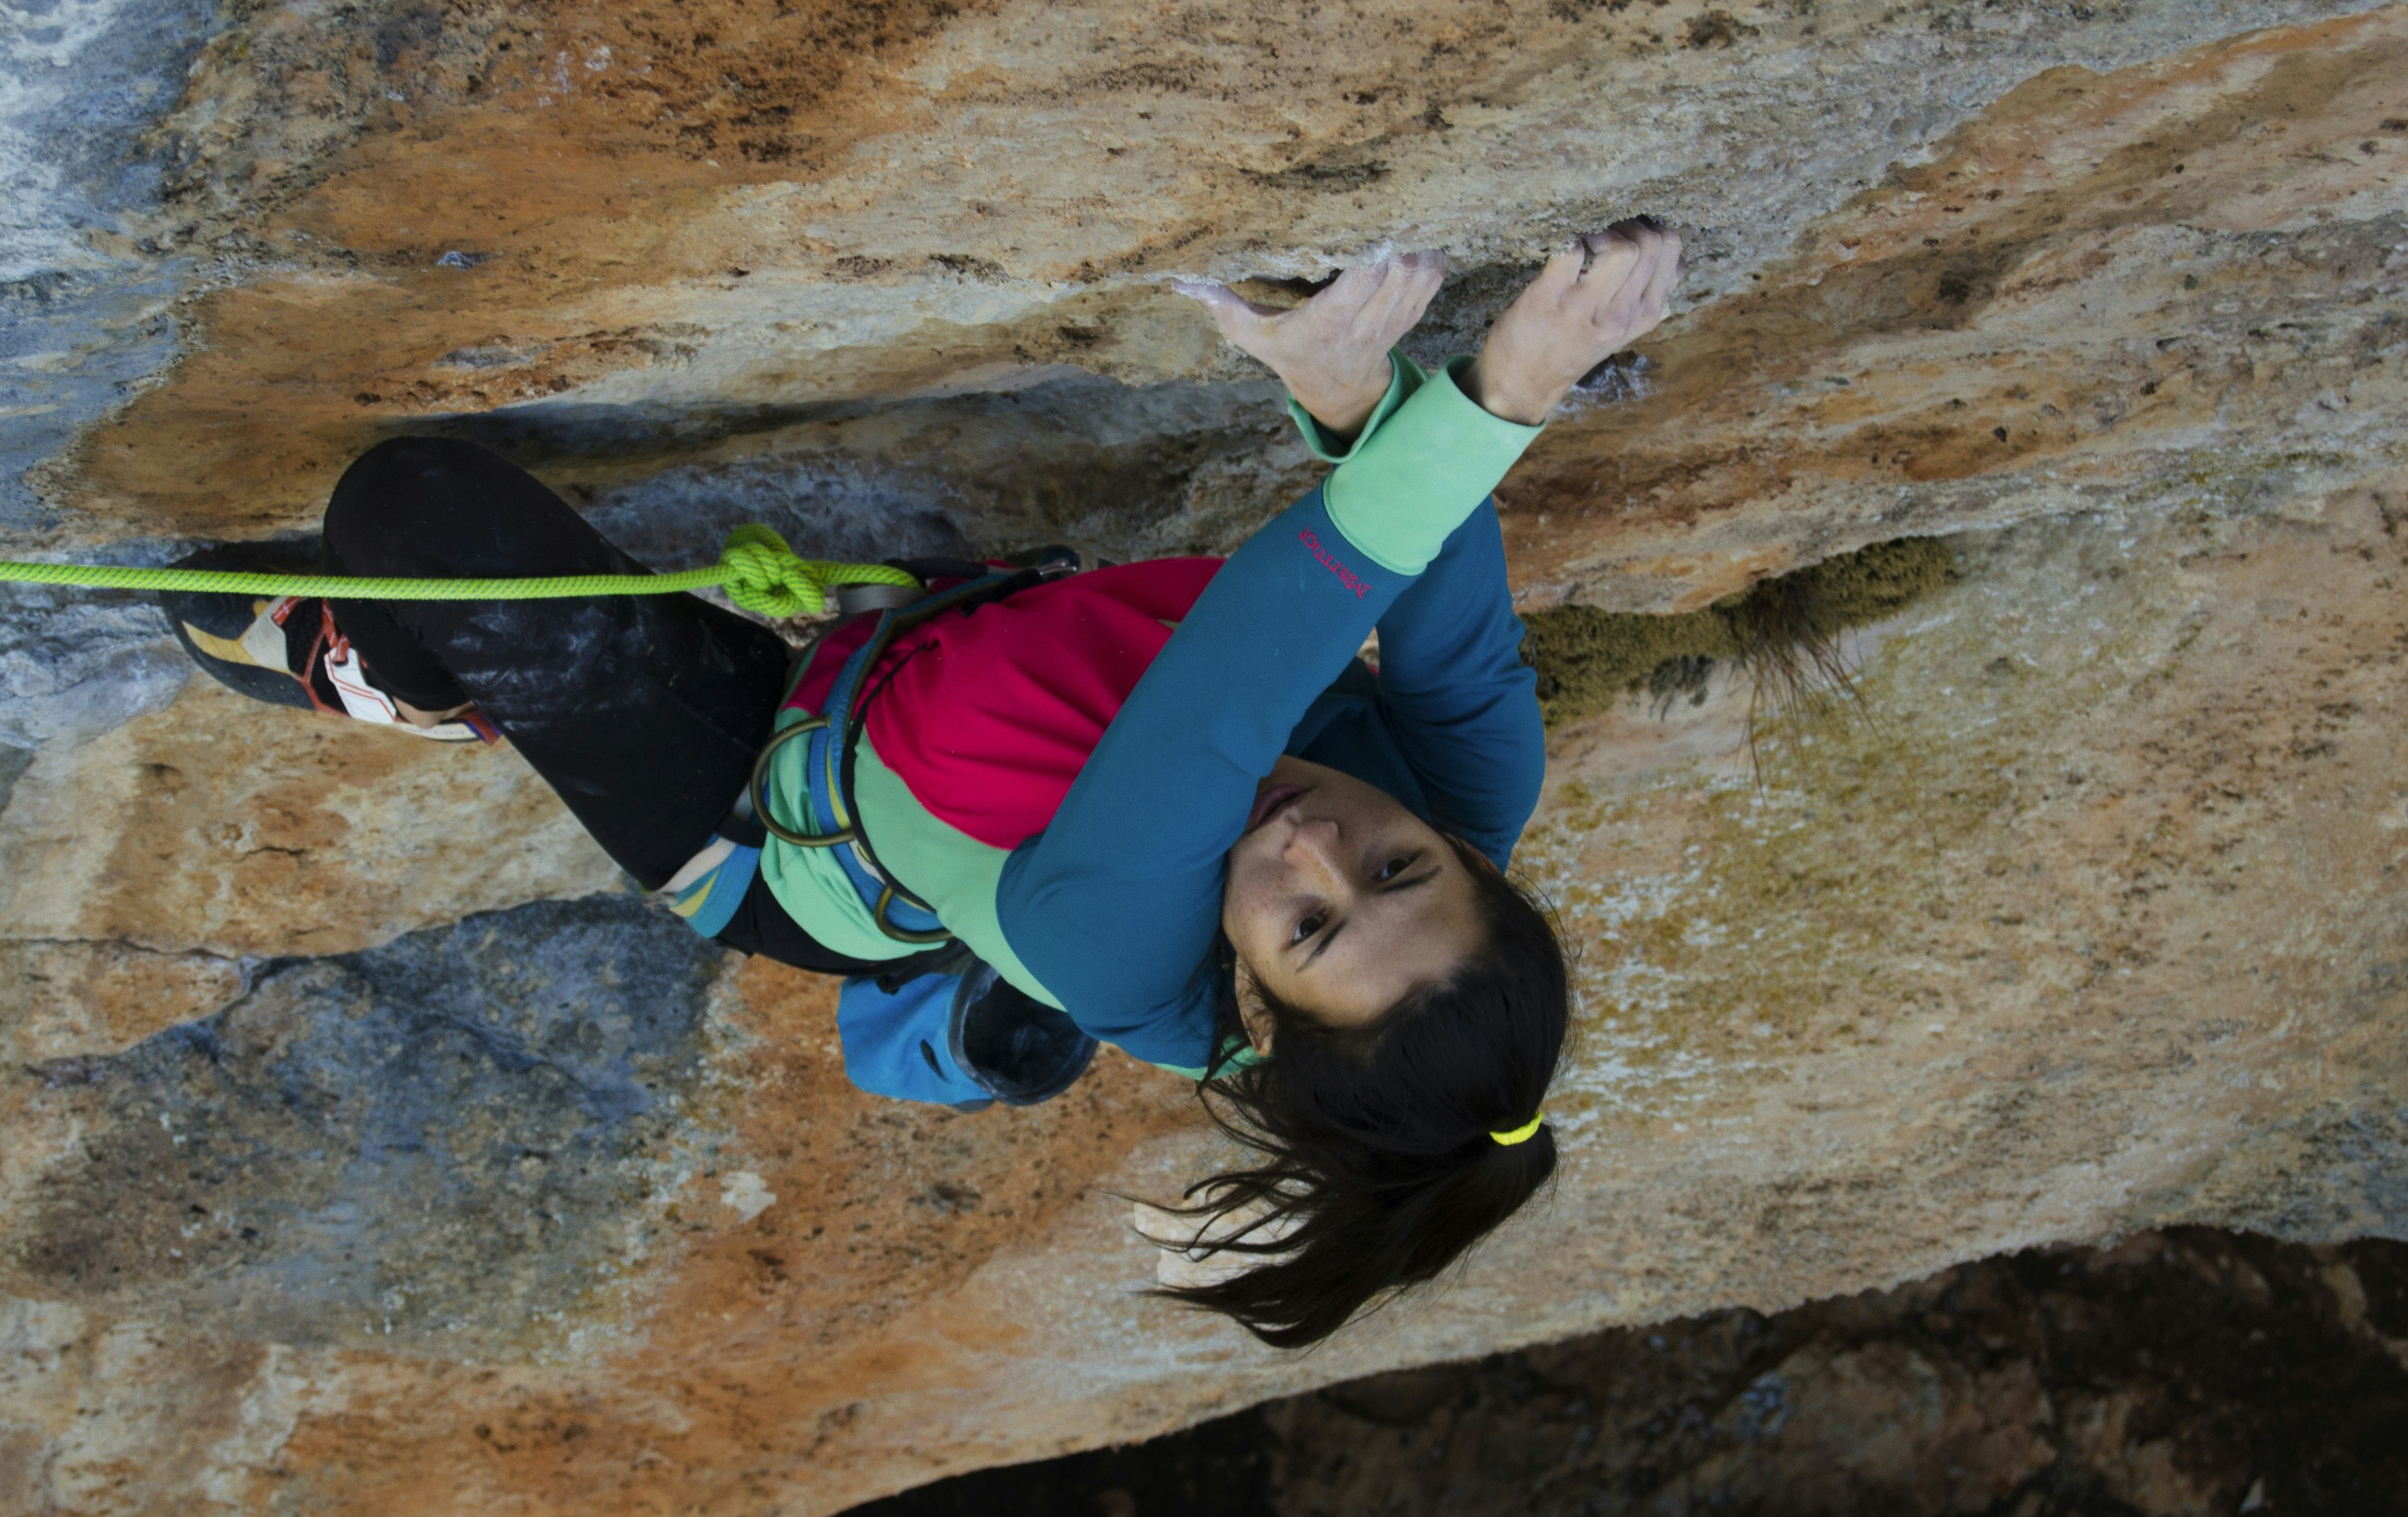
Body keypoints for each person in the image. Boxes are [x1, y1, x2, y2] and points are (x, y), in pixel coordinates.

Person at [163, 219, 1683, 1346]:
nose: (1315, 844)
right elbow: (1439, 580)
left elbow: (1232, 675)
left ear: (1253, 1002)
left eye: (1307, 928)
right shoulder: (1472, 784)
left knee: (414, 512)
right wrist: (1347, 390)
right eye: (1401, 870)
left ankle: (406, 681)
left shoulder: (1122, 950)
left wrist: (1501, 387)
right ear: (1472, 861)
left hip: (765, 822)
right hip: (930, 668)